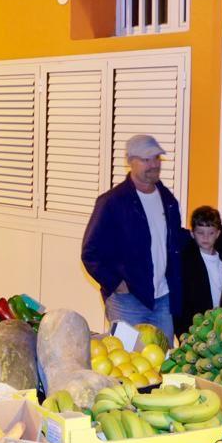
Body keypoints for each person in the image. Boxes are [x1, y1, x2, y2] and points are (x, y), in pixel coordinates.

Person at [81, 134, 184, 340]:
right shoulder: (112, 203)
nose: (153, 164)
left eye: (156, 158)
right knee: (127, 360)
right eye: (146, 160)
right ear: (130, 162)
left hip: (163, 300)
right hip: (127, 302)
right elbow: (90, 253)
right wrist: (116, 282)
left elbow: (173, 240)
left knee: (162, 360)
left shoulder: (168, 200)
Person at [175, 206, 222, 334]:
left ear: (218, 234)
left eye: (211, 233)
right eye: (200, 233)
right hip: (192, 329)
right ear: (192, 233)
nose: (206, 237)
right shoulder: (185, 262)